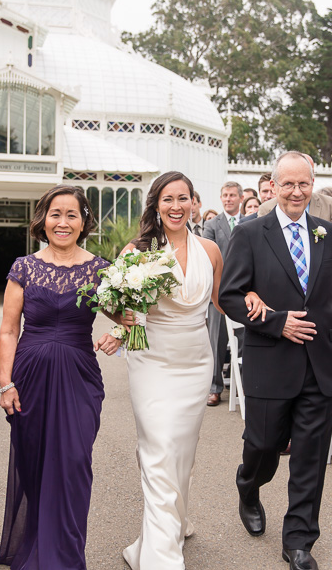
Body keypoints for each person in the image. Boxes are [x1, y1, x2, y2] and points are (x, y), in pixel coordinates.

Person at [220, 152, 332, 570]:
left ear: (312, 184)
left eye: (304, 184)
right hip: (270, 360)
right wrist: (277, 323)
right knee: (262, 445)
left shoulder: (328, 233)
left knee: (310, 456)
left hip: (321, 361)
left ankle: (299, 539)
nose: (297, 192)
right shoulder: (248, 233)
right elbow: (229, 296)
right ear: (274, 186)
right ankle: (249, 486)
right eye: (288, 184)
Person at [0, 185, 121, 570]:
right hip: (30, 376)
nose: (63, 222)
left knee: (73, 465)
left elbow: (127, 317)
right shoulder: (24, 267)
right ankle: (35, 549)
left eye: (72, 215)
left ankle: (65, 558)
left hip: (80, 377)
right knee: (34, 464)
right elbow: (7, 329)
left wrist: (119, 332)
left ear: (84, 222)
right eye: (55, 214)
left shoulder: (101, 269)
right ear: (43, 219)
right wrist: (6, 383)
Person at [121, 171, 225, 569]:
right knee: (159, 447)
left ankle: (173, 523)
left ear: (194, 202)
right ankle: (162, 559)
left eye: (183, 198)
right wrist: (122, 322)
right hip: (151, 360)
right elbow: (116, 304)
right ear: (156, 204)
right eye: (168, 199)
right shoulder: (139, 250)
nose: (176, 206)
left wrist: (261, 306)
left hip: (196, 362)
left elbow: (223, 302)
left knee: (180, 452)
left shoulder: (210, 250)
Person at [203, 180, 243, 406]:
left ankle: (246, 385)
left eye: (232, 195)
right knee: (216, 343)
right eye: (224, 195)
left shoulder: (250, 221)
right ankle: (214, 388)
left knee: (246, 341)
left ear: (240, 198)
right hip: (218, 291)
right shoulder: (212, 224)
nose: (228, 199)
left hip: (245, 291)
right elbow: (207, 257)